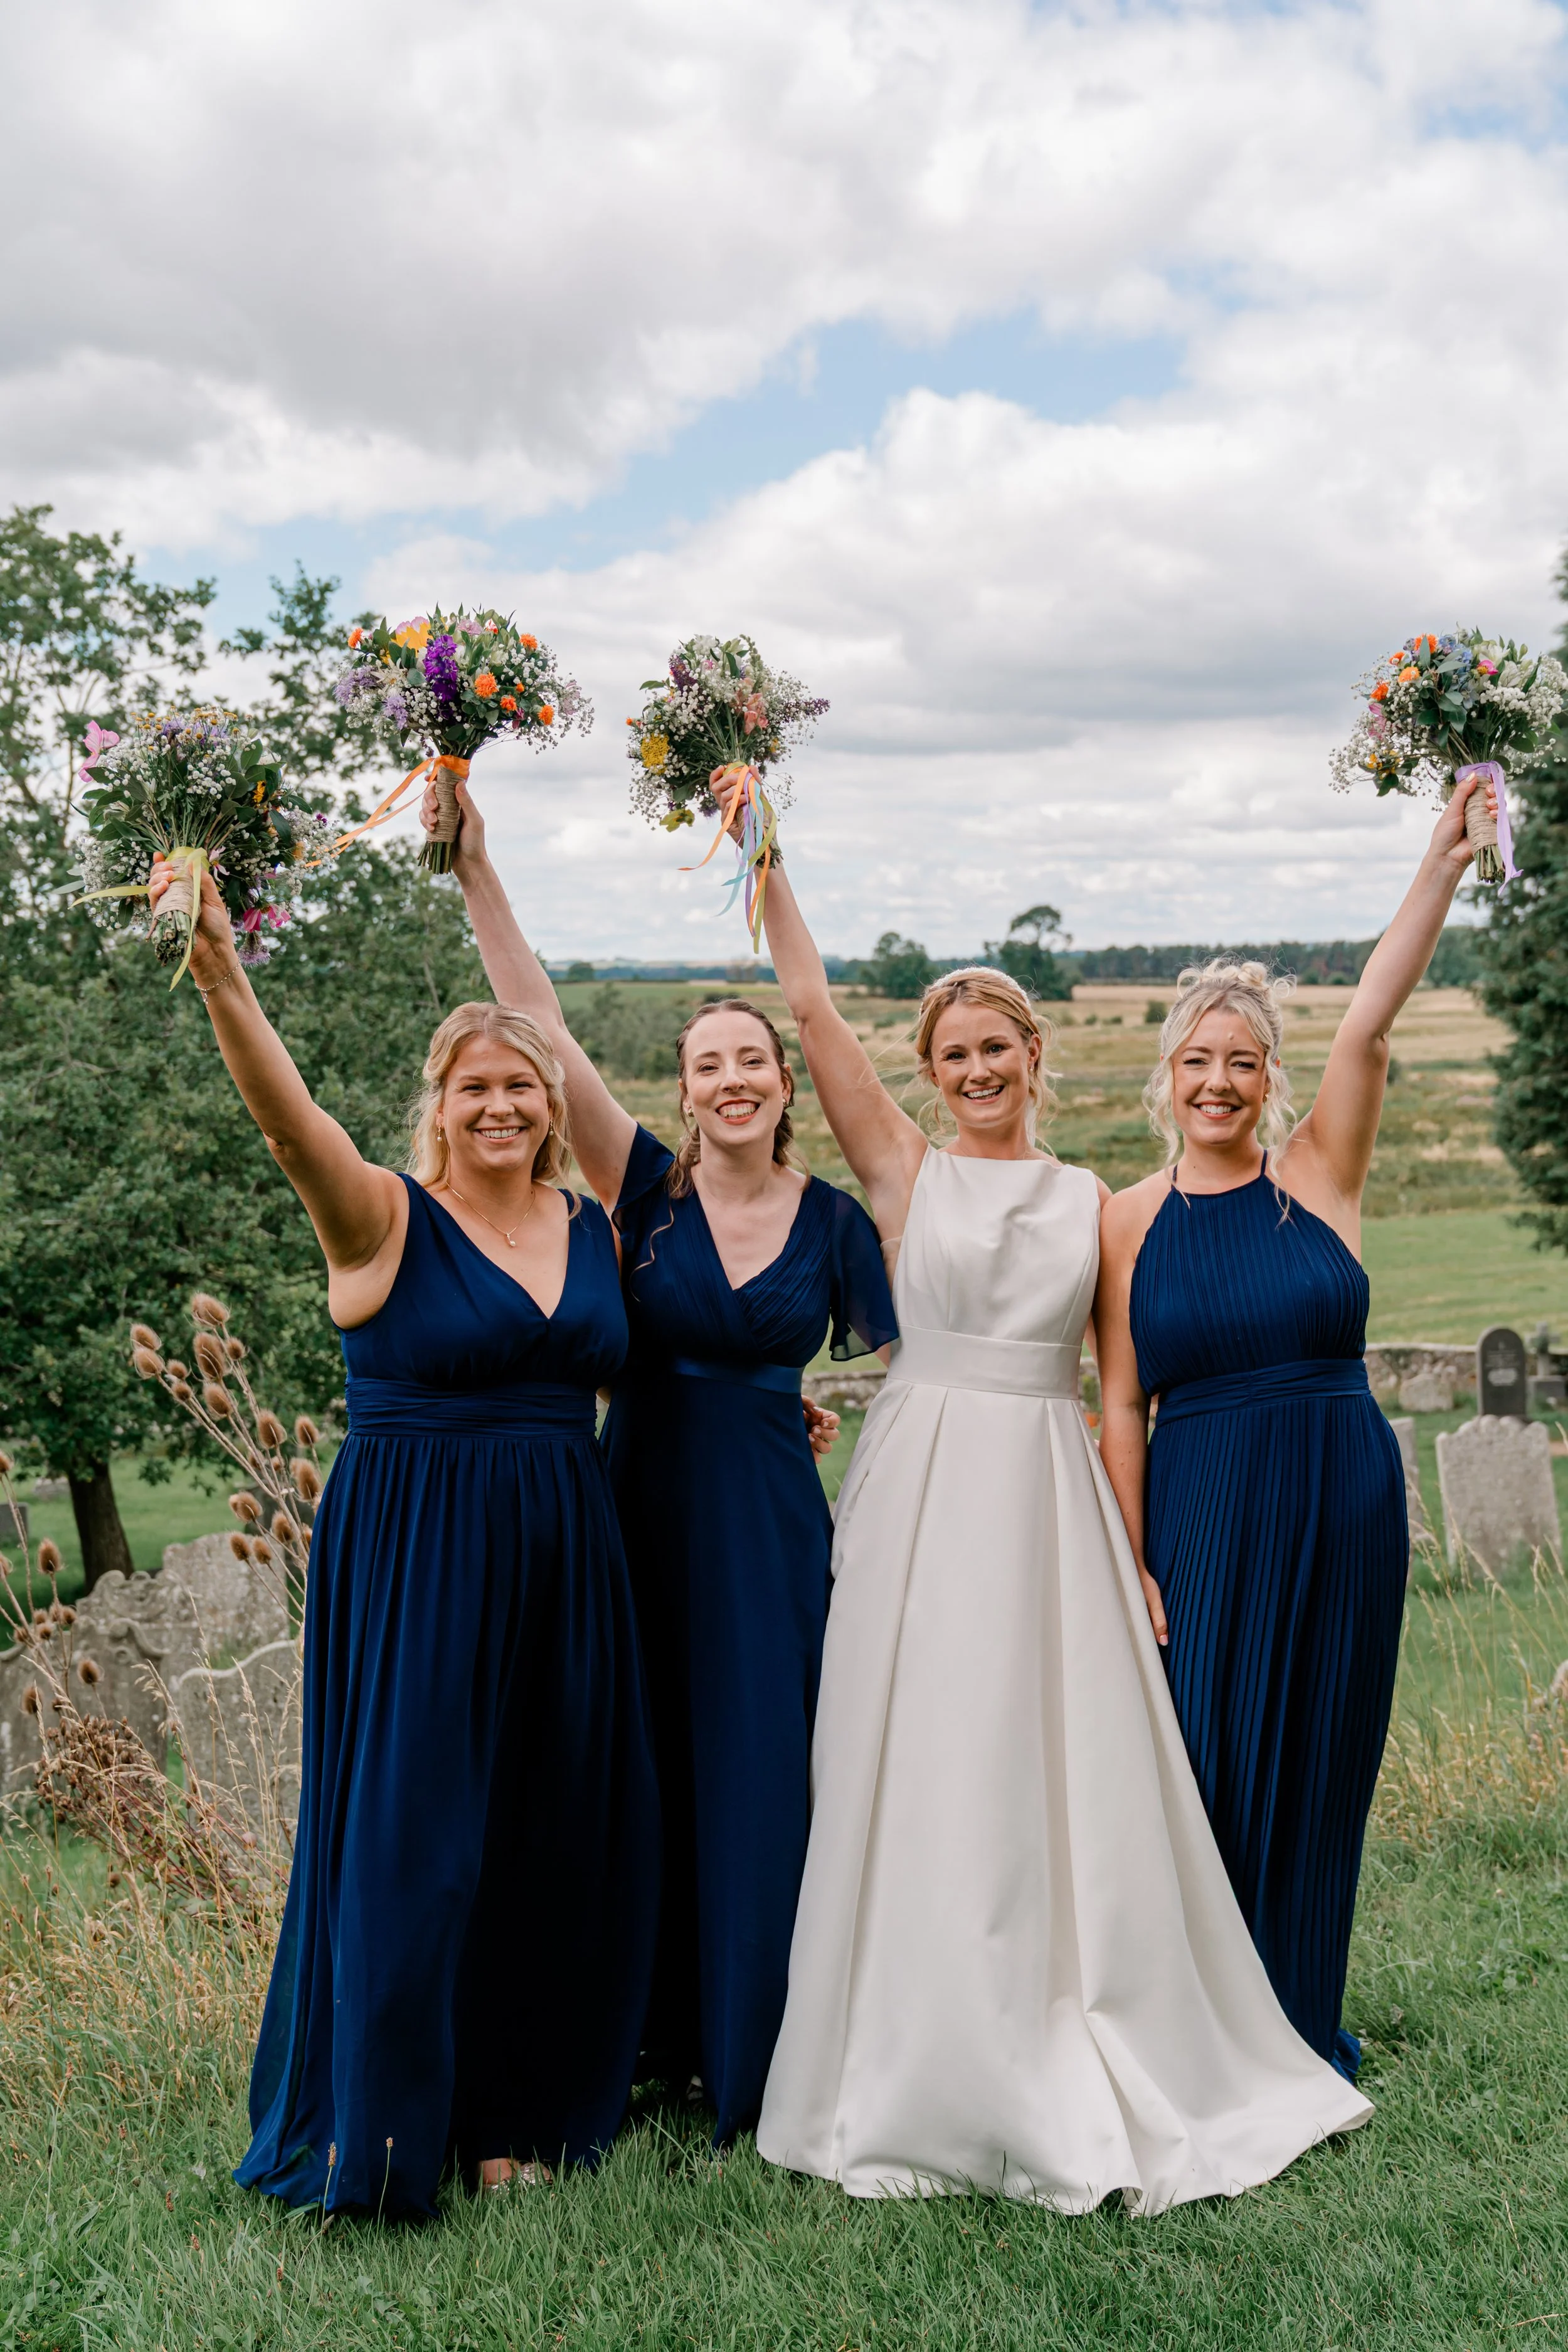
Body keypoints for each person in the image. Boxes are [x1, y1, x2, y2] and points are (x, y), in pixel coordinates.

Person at [751, 857, 1370, 2211]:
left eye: (995, 1047)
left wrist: (1135, 1555)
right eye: (951, 1053)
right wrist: (768, 854)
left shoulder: (1094, 1203)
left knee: (1042, 1761)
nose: (975, 1068)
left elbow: (1118, 1391)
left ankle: (1068, 2014)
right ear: (930, 1072)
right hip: (920, 1487)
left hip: (1047, 1491)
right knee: (914, 1753)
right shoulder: (902, 1173)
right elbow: (807, 1011)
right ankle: (912, 2051)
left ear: (1034, 1055)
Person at [145, 855, 659, 2220]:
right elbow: (282, 1118)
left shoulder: (592, 1226)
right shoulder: (378, 1215)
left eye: (523, 1085)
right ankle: (382, 2134)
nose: (501, 1103)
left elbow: (648, 1376)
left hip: (568, 1562)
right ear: (438, 1105)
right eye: (475, 1086)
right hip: (421, 1561)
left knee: (550, 1834)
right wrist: (216, 962)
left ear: (550, 1105)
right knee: (415, 1843)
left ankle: (513, 2123)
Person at [430, 779, 896, 2146]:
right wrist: (477, 870)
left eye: (752, 1059)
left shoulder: (835, 1225)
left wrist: (803, 1414)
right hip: (629, 1510)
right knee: (636, 1772)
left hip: (765, 1527)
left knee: (762, 1772)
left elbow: (923, 1363)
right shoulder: (642, 1192)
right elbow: (543, 1028)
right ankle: (643, 2041)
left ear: (781, 1083)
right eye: (706, 1064)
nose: (732, 1080)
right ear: (681, 1091)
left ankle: (765, 2051)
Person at [1095, 778, 1492, 2079]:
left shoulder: (1317, 1170)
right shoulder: (1124, 1220)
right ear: (1166, 1076)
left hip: (1341, 1490)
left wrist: (1436, 859)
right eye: (1196, 1060)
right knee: (1204, 1757)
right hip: (1202, 1497)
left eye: (1242, 1062)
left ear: (1268, 1079)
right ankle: (1199, 2025)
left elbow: (1370, 1025)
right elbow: (1117, 1405)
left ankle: (1296, 2022)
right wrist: (1135, 1561)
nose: (1218, 1082)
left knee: (1323, 1754)